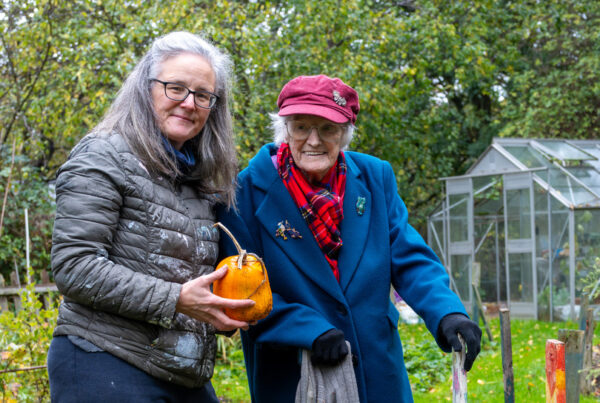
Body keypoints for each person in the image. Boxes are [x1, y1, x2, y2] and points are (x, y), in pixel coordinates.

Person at [217, 74, 482, 402]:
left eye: (327, 128)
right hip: (296, 379)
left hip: (377, 375)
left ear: (344, 134)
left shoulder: (375, 177)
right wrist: (307, 328)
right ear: (285, 130)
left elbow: (409, 257)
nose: (313, 140)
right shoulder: (243, 194)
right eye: (301, 127)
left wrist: (446, 312)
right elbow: (243, 297)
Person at [46, 31, 255, 402]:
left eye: (203, 95)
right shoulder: (102, 156)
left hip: (179, 371)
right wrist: (176, 298)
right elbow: (74, 266)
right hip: (105, 360)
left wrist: (220, 307)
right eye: (175, 88)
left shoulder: (199, 177)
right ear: (146, 88)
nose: (189, 104)